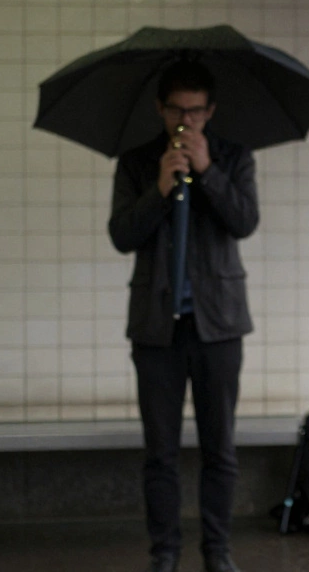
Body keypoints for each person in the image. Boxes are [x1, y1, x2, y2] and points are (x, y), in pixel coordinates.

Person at [109, 60, 259, 572]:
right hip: (156, 327)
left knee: (220, 448)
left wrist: (209, 171)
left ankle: (217, 551)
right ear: (160, 108)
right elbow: (121, 235)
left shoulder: (235, 157)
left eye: (196, 110)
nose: (186, 119)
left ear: (210, 110)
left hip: (218, 324)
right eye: (177, 109)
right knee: (161, 452)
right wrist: (160, 188)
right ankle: (165, 553)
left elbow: (244, 222)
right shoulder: (136, 162)